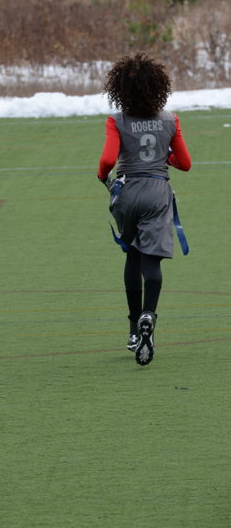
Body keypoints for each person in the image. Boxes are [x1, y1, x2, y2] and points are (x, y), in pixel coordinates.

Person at [97, 53, 191, 366]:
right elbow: (185, 163)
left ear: (120, 89)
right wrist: (165, 159)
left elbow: (108, 159)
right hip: (156, 191)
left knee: (132, 255)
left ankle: (132, 330)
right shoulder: (170, 119)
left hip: (127, 191)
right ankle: (149, 315)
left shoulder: (117, 120)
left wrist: (103, 176)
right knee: (152, 262)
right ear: (159, 88)